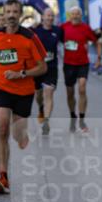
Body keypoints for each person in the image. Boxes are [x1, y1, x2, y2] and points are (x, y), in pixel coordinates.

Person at [0, 0, 47, 193]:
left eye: (15, 12)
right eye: (8, 12)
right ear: (4, 15)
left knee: (18, 137)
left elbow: (43, 67)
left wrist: (22, 74)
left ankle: (22, 136)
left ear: (20, 14)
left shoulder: (30, 37)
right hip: (1, 88)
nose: (12, 15)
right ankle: (3, 176)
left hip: (24, 91)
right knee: (2, 126)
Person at [61, 6, 102, 132]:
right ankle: (73, 115)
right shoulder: (63, 27)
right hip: (68, 64)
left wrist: (99, 58)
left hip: (82, 63)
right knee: (70, 92)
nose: (75, 16)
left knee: (82, 89)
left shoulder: (85, 28)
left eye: (77, 14)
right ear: (70, 15)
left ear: (81, 15)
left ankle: (82, 120)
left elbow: (97, 42)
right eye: (73, 14)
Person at [33, 8, 63, 136]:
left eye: (52, 16)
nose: (50, 18)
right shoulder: (35, 30)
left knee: (48, 93)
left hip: (51, 68)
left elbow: (68, 41)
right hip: (37, 67)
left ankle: (46, 121)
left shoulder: (58, 31)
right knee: (38, 96)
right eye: (48, 16)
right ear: (43, 17)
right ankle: (41, 108)